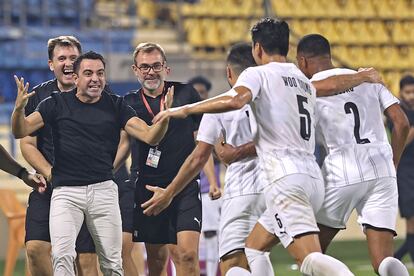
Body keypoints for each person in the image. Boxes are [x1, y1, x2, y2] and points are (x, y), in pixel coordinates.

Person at [142, 18, 384, 276]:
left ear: (258, 49)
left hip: (282, 178)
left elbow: (236, 100)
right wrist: (361, 76)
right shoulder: (301, 80)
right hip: (311, 178)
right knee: (255, 250)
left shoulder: (256, 74)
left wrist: (183, 110)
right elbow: (329, 87)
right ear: (288, 46)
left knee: (304, 260)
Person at [12, 51, 172, 275]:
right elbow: (21, 130)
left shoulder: (116, 105)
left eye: (100, 73)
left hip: (104, 191)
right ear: (76, 79)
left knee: (112, 264)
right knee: (62, 257)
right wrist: (19, 110)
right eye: (88, 73)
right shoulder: (55, 103)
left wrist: (164, 118)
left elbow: (149, 136)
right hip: (66, 193)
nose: (95, 78)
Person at [146, 42, 275, 276]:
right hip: (278, 185)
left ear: (228, 72)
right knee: (260, 254)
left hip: (242, 191)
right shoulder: (274, 100)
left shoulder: (218, 107)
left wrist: (170, 192)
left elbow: (199, 157)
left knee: (233, 265)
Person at [297, 34, 410, 276]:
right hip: (382, 168)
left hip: (342, 166)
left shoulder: (308, 89)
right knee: (384, 261)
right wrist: (394, 161)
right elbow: (401, 124)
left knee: (311, 253)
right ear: (328, 55)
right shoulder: (369, 78)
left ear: (302, 61)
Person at [121, 42, 216, 276]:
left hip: (183, 186)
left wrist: (213, 181)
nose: (150, 72)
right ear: (135, 70)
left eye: (156, 66)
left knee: (186, 254)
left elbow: (201, 142)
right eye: (144, 67)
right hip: (146, 188)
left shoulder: (187, 93)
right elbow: (123, 145)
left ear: (166, 68)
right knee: (156, 258)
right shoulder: (128, 102)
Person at [19, 36, 98, 276]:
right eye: (61, 58)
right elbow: (27, 143)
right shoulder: (37, 96)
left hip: (89, 186)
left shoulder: (99, 93)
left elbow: (116, 139)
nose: (67, 63)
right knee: (34, 249)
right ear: (51, 64)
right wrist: (51, 173)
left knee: (85, 263)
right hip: (50, 185)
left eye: (73, 58)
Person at [188, 74, 222, 276]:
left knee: (211, 235)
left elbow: (220, 153)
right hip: (187, 188)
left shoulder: (215, 118)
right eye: (195, 92)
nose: (199, 96)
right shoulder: (183, 120)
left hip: (209, 189)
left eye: (202, 92)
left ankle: (210, 273)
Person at [392, 75, 414, 262]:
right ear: (400, 92)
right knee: (411, 222)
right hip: (405, 173)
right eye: (408, 92)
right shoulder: (397, 113)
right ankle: (392, 260)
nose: (411, 96)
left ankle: (393, 260)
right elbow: (399, 143)